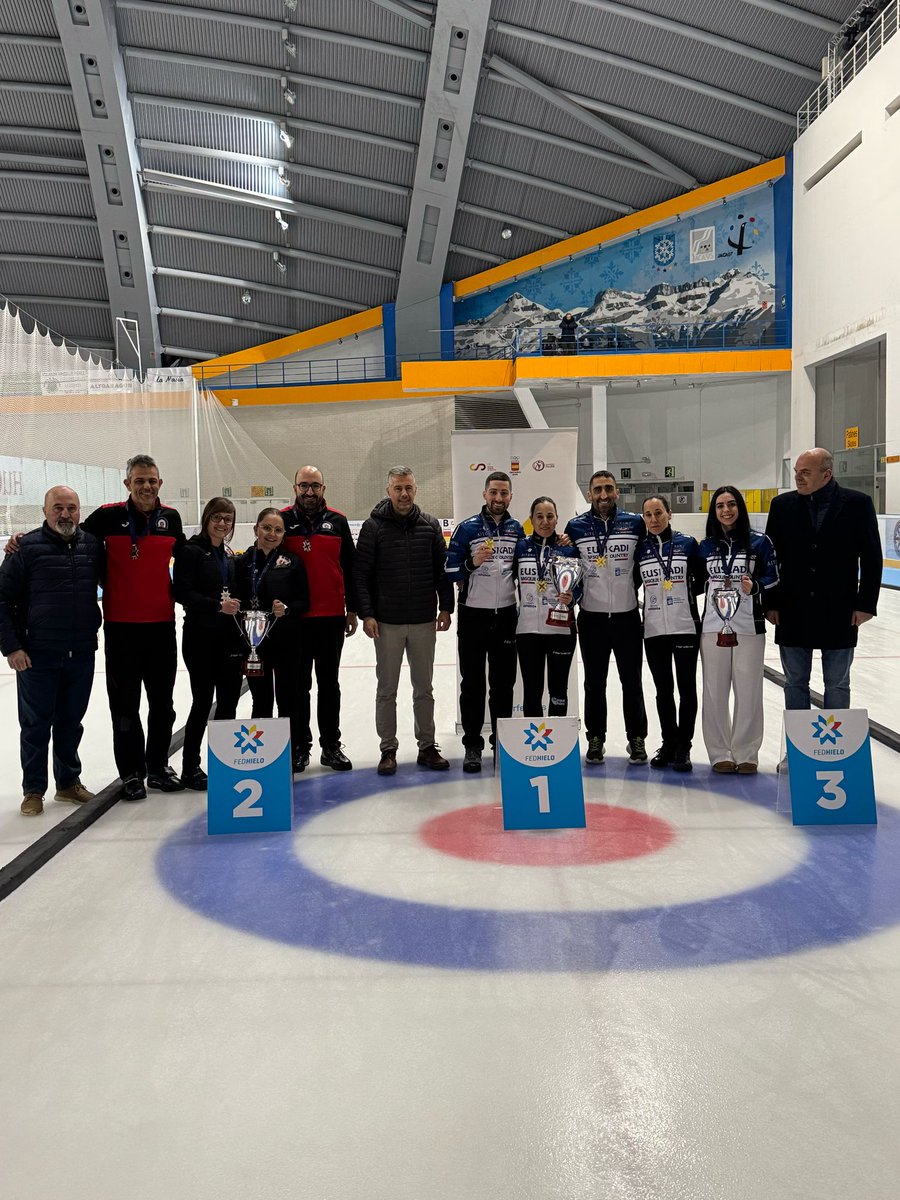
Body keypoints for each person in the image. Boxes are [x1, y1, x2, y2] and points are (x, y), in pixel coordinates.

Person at [764, 448, 882, 752]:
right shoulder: (782, 505)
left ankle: (835, 753)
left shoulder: (858, 504)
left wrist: (865, 604)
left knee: (838, 685)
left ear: (826, 474)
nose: (797, 477)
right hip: (792, 609)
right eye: (796, 472)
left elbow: (871, 557)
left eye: (805, 472)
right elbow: (770, 558)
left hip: (840, 610)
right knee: (794, 684)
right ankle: (799, 753)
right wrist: (771, 602)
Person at [82, 455, 185, 799]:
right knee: (124, 707)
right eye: (139, 480)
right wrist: (23, 539)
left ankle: (157, 768)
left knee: (163, 705)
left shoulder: (170, 519)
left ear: (160, 483)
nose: (146, 486)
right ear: (127, 484)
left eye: (152, 480)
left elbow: (190, 559)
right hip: (121, 629)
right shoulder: (107, 517)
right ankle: (131, 773)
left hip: (161, 627)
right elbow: (70, 543)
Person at [0, 487, 103, 815]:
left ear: (79, 511)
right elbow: (2, 599)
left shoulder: (91, 545)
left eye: (71, 508)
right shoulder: (25, 548)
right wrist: (12, 647)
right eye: (58, 508)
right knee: (35, 725)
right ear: (45, 511)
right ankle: (33, 789)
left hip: (81, 651)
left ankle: (68, 783)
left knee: (71, 721)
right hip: (37, 654)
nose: (65, 514)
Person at [355, 466, 454, 776]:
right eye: (398, 488)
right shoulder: (373, 527)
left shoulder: (430, 525)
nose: (403, 493)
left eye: (408, 487)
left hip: (424, 620)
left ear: (416, 489)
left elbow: (442, 570)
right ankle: (388, 748)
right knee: (387, 690)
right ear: (389, 491)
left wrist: (446, 607)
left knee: (424, 688)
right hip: (387, 623)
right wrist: (367, 613)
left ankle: (427, 746)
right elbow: (361, 574)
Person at [564, 469, 648, 765]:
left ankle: (636, 738)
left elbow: (643, 565)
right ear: (589, 494)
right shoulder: (575, 527)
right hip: (592, 619)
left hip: (626, 617)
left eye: (608, 489)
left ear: (617, 492)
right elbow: (570, 573)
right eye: (597, 489)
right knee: (594, 683)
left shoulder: (635, 523)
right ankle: (595, 737)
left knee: (632, 681)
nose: (603, 495)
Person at [280, 465, 357, 772]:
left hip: (330, 618)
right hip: (295, 619)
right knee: (298, 686)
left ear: (324, 488)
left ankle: (330, 746)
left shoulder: (337, 522)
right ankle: (300, 746)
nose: (309, 491)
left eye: (315, 486)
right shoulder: (283, 521)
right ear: (295, 487)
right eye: (303, 486)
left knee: (329, 685)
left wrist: (351, 609)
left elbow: (350, 568)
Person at [446, 471, 524, 773]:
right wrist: (471, 563)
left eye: (504, 493)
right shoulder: (466, 529)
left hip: (506, 614)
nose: (498, 498)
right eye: (493, 492)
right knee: (473, 685)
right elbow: (450, 572)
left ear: (510, 496)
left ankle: (501, 745)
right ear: (484, 495)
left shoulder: (517, 529)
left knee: (503, 685)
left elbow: (526, 566)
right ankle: (472, 745)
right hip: (473, 616)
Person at [698, 485, 778, 774]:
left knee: (749, 690)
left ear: (740, 508)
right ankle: (719, 752)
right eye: (720, 506)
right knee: (714, 690)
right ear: (714, 511)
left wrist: (755, 586)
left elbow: (774, 576)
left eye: (731, 504)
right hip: (712, 627)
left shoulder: (759, 542)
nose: (726, 510)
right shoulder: (706, 545)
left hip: (748, 626)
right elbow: (693, 580)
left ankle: (746, 752)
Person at [172, 497, 244, 790]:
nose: (222, 524)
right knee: (202, 702)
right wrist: (217, 606)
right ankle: (190, 767)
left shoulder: (227, 554)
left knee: (228, 702)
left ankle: (224, 762)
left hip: (228, 638)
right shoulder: (191, 551)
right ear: (207, 519)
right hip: (200, 637)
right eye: (217, 518)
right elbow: (182, 593)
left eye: (228, 519)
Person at [234, 508, 310, 770]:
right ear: (256, 529)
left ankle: (292, 751)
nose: (272, 534)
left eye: (277, 530)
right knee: (261, 699)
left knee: (289, 697)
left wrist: (286, 609)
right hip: (255, 644)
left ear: (283, 534)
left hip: (287, 641)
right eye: (266, 528)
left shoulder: (293, 561)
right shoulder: (242, 562)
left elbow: (304, 601)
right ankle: (262, 754)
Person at [635, 496, 703, 772]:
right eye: (648, 515)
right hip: (653, 630)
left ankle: (684, 747)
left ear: (669, 514)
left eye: (658, 513)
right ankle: (669, 743)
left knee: (686, 689)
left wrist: (679, 596)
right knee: (663, 691)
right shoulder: (640, 549)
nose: (654, 519)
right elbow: (632, 583)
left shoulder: (687, 544)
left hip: (685, 626)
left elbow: (701, 581)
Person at [514, 496, 579, 717]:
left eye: (550, 516)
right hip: (527, 631)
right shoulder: (520, 548)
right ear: (531, 519)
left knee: (559, 690)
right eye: (539, 516)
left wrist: (572, 597)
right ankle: (535, 748)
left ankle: (558, 746)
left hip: (561, 630)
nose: (545, 521)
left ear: (557, 519)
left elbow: (580, 586)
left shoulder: (568, 549)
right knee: (532, 691)